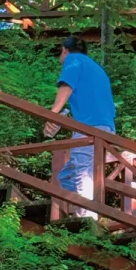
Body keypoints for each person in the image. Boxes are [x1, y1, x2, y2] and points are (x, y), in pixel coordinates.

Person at [43, 36, 116, 215]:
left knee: (83, 173)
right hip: (105, 126)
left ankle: (88, 221)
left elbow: (66, 87)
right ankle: (83, 213)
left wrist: (51, 116)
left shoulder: (73, 60)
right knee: (67, 176)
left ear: (64, 50)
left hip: (89, 126)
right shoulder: (96, 68)